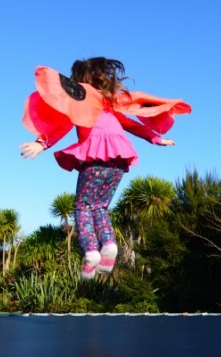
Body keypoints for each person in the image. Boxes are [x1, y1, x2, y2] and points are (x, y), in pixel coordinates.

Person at [20, 57, 191, 279]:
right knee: (100, 207)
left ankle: (91, 251)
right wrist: (156, 139)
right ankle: (109, 246)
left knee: (82, 206)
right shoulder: (110, 104)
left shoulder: (81, 102)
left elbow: (63, 125)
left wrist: (42, 143)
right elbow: (131, 125)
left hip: (95, 159)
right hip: (119, 160)